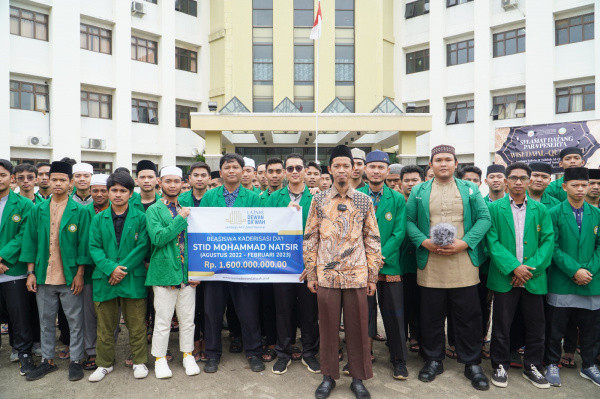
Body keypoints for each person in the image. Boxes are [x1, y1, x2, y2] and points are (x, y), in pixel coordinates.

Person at [406, 145, 491, 391]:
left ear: (456, 164)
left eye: (448, 160)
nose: (443, 164)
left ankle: (471, 363)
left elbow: (484, 219)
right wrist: (424, 242)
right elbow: (410, 221)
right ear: (430, 165)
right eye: (438, 160)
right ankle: (433, 360)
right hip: (430, 264)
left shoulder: (470, 189)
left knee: (468, 317)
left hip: (463, 263)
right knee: (430, 317)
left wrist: (465, 243)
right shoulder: (419, 191)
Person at [304, 145, 383, 399]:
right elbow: (310, 238)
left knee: (358, 329)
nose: (341, 170)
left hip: (356, 275)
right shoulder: (318, 200)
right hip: (326, 277)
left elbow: (372, 238)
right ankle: (328, 376)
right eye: (336, 166)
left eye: (345, 166)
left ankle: (358, 378)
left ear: (352, 169)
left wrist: (372, 276)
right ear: (330, 169)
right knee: (326, 328)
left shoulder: (363, 200)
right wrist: (312, 274)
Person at [21, 161, 91, 382]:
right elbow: (30, 241)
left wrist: (80, 274)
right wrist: (30, 272)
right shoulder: (38, 209)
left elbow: (83, 244)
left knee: (75, 320)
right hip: (43, 275)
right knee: (46, 320)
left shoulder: (79, 210)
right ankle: (47, 361)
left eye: (62, 180)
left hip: (70, 276)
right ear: (48, 181)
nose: (58, 183)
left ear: (70, 183)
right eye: (54, 180)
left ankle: (76, 360)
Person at [486, 162, 553, 389]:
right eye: (513, 178)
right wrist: (514, 267)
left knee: (536, 325)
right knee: (501, 325)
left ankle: (533, 366)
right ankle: (500, 365)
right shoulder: (494, 209)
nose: (517, 182)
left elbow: (547, 243)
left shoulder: (541, 210)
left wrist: (527, 270)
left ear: (529, 181)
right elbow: (492, 242)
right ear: (505, 181)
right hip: (505, 277)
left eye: (522, 178)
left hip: (533, 279)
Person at [200, 154, 264, 374]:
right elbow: (203, 229)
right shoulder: (209, 197)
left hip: (243, 264)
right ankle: (212, 354)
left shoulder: (253, 197)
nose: (232, 171)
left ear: (242, 171)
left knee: (248, 312)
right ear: (221, 171)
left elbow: (261, 230)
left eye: (236, 167)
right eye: (227, 167)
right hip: (215, 265)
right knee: (213, 313)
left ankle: (254, 353)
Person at [87, 172, 151, 382]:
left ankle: (140, 361)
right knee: (105, 327)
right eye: (113, 190)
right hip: (106, 279)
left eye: (123, 190)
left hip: (131, 278)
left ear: (131, 194)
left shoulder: (140, 217)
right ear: (108, 192)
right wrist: (110, 269)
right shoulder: (98, 218)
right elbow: (94, 248)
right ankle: (104, 364)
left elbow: (142, 246)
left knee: (136, 324)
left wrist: (120, 270)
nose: (118, 194)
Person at [544, 167, 600, 387]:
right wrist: (574, 270)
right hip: (562, 280)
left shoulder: (597, 214)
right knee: (555, 327)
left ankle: (588, 365)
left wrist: (588, 270)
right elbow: (552, 246)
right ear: (564, 186)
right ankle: (551, 363)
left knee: (591, 328)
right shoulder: (554, 213)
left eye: (583, 185)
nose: (580, 189)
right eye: (575, 185)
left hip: (591, 280)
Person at [266, 154, 320, 375]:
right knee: (283, 311)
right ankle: (284, 353)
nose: (295, 171)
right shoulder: (273, 198)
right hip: (282, 264)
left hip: (309, 265)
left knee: (309, 312)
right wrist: (282, 214)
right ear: (285, 172)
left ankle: (309, 353)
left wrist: (314, 264)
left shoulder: (317, 197)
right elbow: (266, 229)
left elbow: (323, 233)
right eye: (290, 168)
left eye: (299, 167)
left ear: (306, 171)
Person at [357, 150, 408, 380]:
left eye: (381, 167)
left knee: (394, 315)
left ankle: (399, 360)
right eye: (372, 167)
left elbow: (399, 233)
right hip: (359, 266)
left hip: (388, 266)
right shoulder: (355, 195)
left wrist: (377, 258)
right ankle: (361, 356)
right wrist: (366, 260)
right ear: (365, 170)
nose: (376, 171)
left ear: (388, 171)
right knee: (362, 315)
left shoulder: (397, 199)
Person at [145, 166, 200, 379]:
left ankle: (188, 354)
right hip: (164, 273)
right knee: (163, 320)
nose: (173, 185)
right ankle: (159, 359)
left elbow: (195, 243)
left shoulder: (186, 208)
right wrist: (180, 218)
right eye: (168, 181)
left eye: (177, 181)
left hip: (187, 274)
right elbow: (158, 238)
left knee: (188, 319)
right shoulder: (154, 210)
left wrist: (197, 272)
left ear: (182, 183)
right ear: (160, 182)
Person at [0, 159, 36, 376]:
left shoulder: (24, 205)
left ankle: (24, 354)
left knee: (19, 317)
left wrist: (2, 258)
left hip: (13, 271)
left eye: (3, 174)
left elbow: (25, 236)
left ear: (10, 178)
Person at [178, 161, 211, 362]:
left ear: (209, 179)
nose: (199, 178)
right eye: (195, 175)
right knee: (190, 307)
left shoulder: (215, 199)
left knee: (208, 305)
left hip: (210, 258)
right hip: (185, 259)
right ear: (189, 179)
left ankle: (207, 340)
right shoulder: (180, 200)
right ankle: (192, 343)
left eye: (203, 175)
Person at [81, 174, 111, 371]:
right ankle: (91, 351)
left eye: (103, 190)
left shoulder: (119, 210)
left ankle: (110, 351)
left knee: (110, 316)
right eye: (95, 190)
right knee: (89, 315)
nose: (99, 194)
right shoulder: (83, 211)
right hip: (90, 271)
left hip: (112, 271)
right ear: (89, 191)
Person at [398, 165, 424, 354]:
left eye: (414, 180)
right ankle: (401, 337)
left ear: (422, 182)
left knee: (420, 303)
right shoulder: (398, 201)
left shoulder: (425, 202)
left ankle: (417, 335)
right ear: (401, 183)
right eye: (406, 180)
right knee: (401, 304)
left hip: (421, 261)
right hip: (399, 263)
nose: (410, 183)